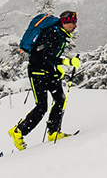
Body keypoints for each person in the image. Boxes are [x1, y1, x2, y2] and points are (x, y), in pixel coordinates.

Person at [9, 9, 80, 149]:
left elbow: (49, 57)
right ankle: (18, 131)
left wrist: (56, 68)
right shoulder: (53, 33)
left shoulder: (59, 33)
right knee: (42, 106)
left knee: (60, 98)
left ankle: (53, 132)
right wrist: (67, 62)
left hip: (47, 70)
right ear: (65, 23)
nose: (75, 26)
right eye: (73, 23)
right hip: (37, 72)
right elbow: (46, 56)